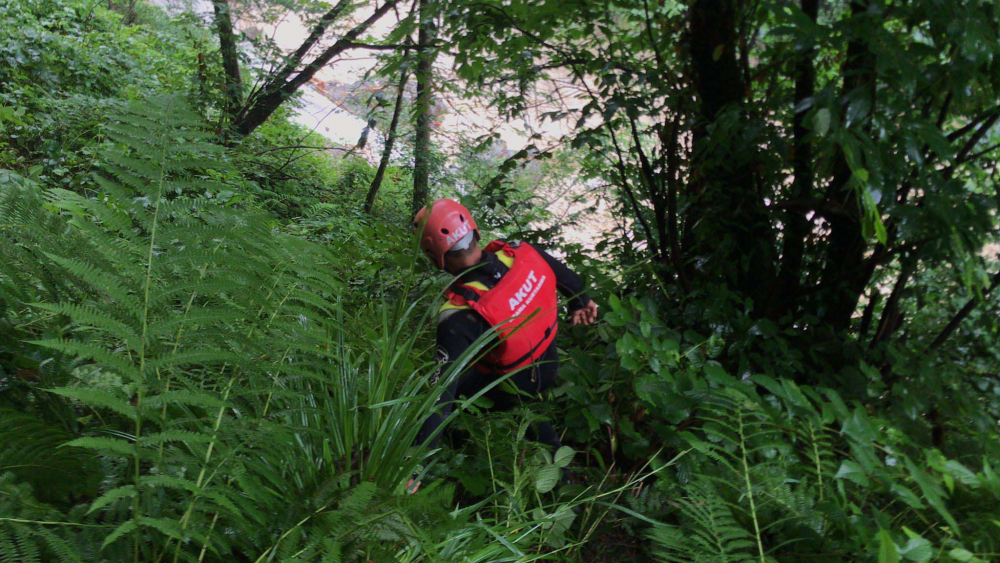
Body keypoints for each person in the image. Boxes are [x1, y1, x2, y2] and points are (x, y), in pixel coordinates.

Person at [408, 199, 597, 491]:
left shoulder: (459, 314)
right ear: (474, 231)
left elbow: (440, 397)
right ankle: (562, 480)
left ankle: (460, 462)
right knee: (527, 403)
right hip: (547, 363)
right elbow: (568, 279)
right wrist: (581, 303)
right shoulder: (523, 255)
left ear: (436, 256)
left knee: (458, 395)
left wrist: (414, 462)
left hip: (514, 380)